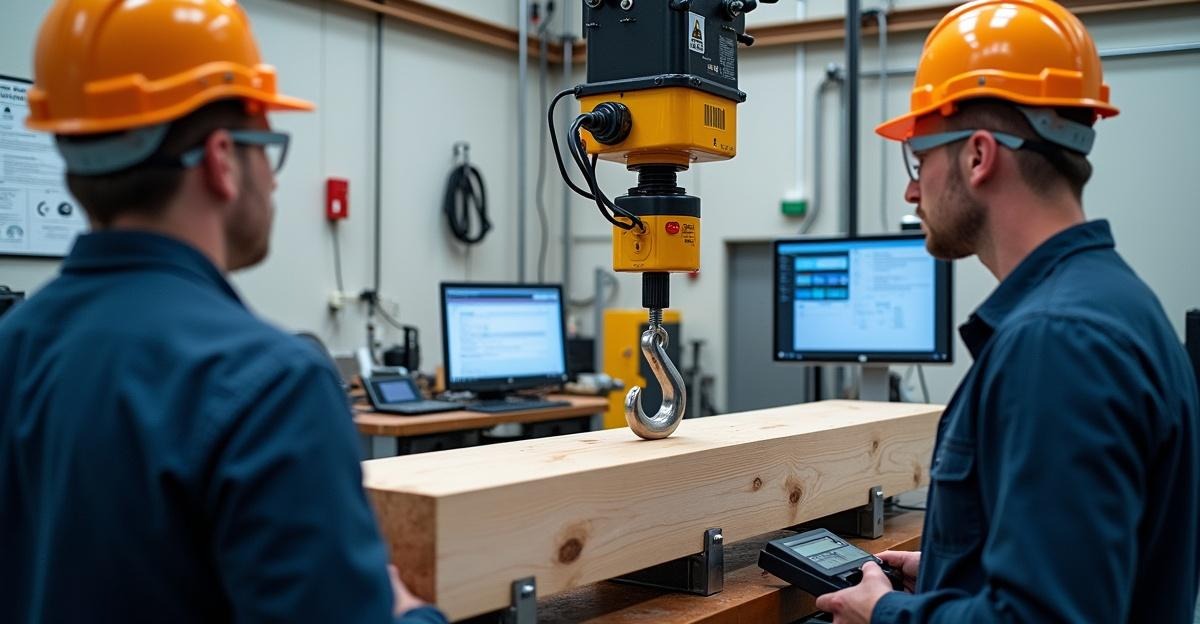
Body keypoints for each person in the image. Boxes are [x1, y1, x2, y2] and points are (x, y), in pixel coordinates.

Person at [0, 1, 445, 622]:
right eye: (269, 147)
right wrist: (407, 612)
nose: (276, 180)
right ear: (221, 159)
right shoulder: (271, 383)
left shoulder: (13, 345)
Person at [814, 0, 1200, 621]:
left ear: (978, 156)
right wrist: (949, 573)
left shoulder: (1058, 343)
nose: (912, 190)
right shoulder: (1116, 302)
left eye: (920, 159)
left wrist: (886, 616)